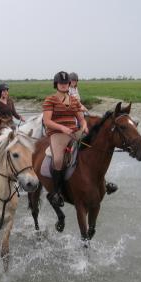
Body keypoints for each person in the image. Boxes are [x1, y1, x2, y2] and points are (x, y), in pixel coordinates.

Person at [42, 71, 89, 207]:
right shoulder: (50, 99)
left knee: (92, 147)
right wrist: (62, 128)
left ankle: (100, 181)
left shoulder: (74, 100)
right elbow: (47, 121)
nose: (63, 85)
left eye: (65, 83)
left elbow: (81, 119)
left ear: (69, 84)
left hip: (73, 132)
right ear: (56, 84)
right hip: (57, 133)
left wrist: (84, 126)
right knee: (58, 159)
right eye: (61, 83)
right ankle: (56, 192)